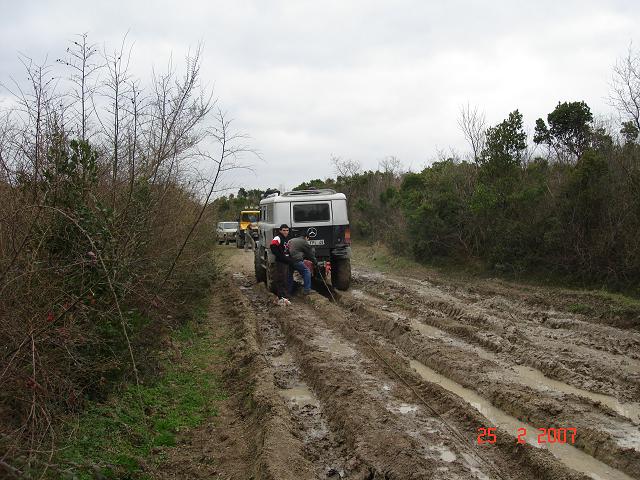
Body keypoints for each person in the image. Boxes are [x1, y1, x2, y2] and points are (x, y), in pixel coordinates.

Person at [270, 224, 293, 305]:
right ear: (280, 230)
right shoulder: (278, 237)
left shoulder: (287, 239)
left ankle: (283, 296)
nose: (285, 232)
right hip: (280, 262)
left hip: (286, 261)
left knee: (285, 279)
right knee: (281, 279)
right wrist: (281, 257)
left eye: (287, 230)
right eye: (284, 230)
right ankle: (281, 297)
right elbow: (273, 247)